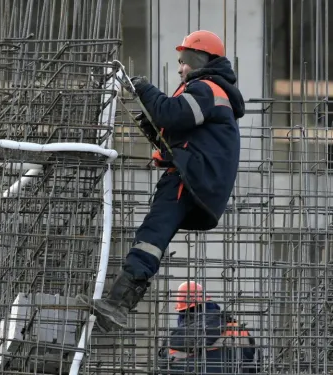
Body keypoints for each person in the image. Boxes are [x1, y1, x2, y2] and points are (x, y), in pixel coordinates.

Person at [76, 30, 245, 333]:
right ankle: (118, 304)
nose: (180, 68)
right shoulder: (213, 94)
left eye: (185, 61)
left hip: (189, 178)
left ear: (200, 59)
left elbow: (172, 113)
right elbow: (182, 137)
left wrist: (144, 89)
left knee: (151, 235)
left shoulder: (206, 88)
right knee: (153, 235)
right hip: (198, 180)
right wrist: (158, 135)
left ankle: (118, 304)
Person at [157, 281, 260, 374]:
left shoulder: (172, 340)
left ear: (182, 313)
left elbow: (164, 368)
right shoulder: (237, 329)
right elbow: (253, 364)